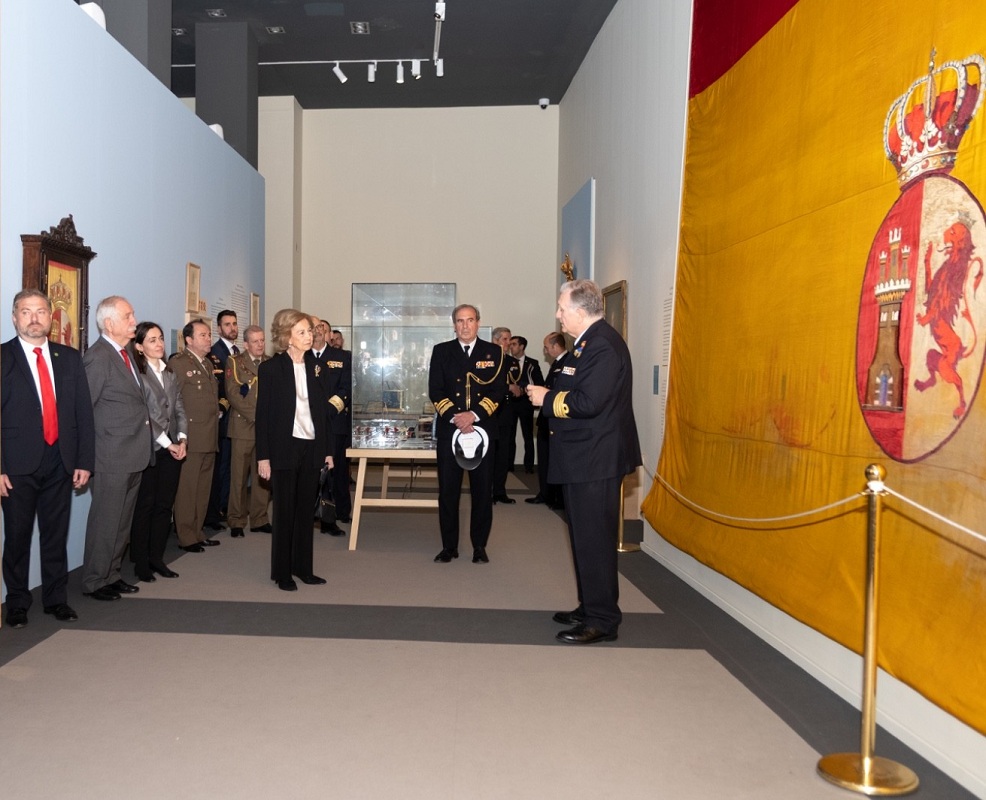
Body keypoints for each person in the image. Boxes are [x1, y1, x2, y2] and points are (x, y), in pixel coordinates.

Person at [528, 279, 641, 644]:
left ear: (580, 310)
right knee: (583, 538)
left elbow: (589, 403)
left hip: (596, 459)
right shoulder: (586, 346)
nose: (558, 315)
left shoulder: (604, 347)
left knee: (594, 539)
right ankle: (590, 605)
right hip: (583, 457)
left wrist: (546, 398)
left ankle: (602, 620)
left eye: (562, 309)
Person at [1, 289, 95, 627]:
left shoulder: (69, 357)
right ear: (15, 317)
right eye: (26, 312)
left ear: (50, 317)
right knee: (17, 537)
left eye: (40, 311)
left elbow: (83, 413)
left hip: (61, 461)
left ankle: (56, 599)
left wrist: (85, 460)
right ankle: (16, 603)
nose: (34, 317)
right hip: (16, 466)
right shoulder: (3, 357)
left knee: (56, 535)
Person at [256, 309, 335, 591]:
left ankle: (304, 568)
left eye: (309, 331)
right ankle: (282, 572)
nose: (309, 336)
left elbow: (321, 413)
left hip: (312, 447)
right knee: (285, 511)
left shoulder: (317, 367)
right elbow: (263, 415)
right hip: (283, 448)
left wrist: (327, 450)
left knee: (305, 512)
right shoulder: (270, 369)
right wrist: (263, 456)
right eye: (301, 332)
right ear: (286, 337)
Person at [81, 296, 152, 601]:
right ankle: (95, 580)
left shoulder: (124, 354)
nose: (134, 321)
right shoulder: (98, 357)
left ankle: (111, 574)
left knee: (122, 522)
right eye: (128, 316)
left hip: (132, 454)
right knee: (106, 522)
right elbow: (84, 411)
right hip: (110, 457)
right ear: (109, 323)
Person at [428, 304, 507, 564]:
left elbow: (497, 391)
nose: (465, 325)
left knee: (482, 492)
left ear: (478, 322)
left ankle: (479, 546)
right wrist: (457, 417)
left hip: (482, 430)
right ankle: (448, 546)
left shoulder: (494, 352)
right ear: (454, 325)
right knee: (448, 491)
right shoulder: (441, 352)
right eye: (460, 321)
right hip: (451, 431)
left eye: (470, 320)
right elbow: (436, 391)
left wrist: (473, 416)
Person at [129, 322, 186, 582]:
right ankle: (141, 563)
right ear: (139, 347)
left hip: (173, 447)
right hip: (151, 448)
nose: (159, 344)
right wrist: (168, 443)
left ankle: (157, 558)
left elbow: (179, 409)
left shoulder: (170, 373)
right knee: (146, 506)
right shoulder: (137, 375)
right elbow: (147, 416)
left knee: (164, 506)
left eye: (161, 338)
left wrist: (182, 438)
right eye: (152, 340)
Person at [171, 320, 223, 553]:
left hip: (209, 434)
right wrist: (179, 436)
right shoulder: (179, 364)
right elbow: (172, 401)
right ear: (189, 340)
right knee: (188, 488)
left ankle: (197, 531)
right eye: (202, 335)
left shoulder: (208, 365)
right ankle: (186, 535)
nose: (208, 338)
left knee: (203, 489)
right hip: (191, 436)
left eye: (209, 334)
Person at [225, 324, 271, 536]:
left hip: (265, 431)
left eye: (262, 340)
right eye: (255, 341)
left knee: (263, 475)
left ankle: (259, 518)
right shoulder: (235, 362)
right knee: (239, 477)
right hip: (243, 427)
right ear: (245, 344)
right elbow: (234, 395)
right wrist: (259, 417)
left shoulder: (271, 363)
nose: (260, 344)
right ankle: (236, 520)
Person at [525, 332, 570, 509]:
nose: (544, 350)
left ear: (555, 346)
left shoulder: (568, 362)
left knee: (554, 461)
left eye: (546, 347)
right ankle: (546, 493)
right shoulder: (557, 363)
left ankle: (555, 497)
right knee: (544, 460)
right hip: (546, 419)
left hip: (556, 420)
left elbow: (559, 390)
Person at [204, 309, 236, 530]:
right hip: (220, 420)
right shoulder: (214, 353)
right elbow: (221, 388)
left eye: (234, 324)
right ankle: (218, 508)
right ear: (219, 328)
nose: (232, 328)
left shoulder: (236, 352)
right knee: (221, 467)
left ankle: (225, 505)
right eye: (227, 324)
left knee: (229, 466)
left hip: (234, 419)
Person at [490, 326, 521, 504]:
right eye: (505, 339)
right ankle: (485, 491)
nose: (509, 343)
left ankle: (500, 491)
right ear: (496, 340)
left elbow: (517, 381)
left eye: (509, 340)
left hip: (506, 412)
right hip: (489, 413)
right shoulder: (486, 359)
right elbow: (488, 385)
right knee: (488, 455)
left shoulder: (512, 362)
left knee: (503, 455)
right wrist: (508, 387)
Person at [508, 335, 544, 473]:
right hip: (510, 404)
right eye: (510, 344)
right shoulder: (507, 362)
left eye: (514, 344)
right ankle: (509, 465)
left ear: (522, 346)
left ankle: (529, 467)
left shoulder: (532, 363)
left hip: (525, 404)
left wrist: (525, 388)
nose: (511, 347)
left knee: (528, 436)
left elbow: (539, 382)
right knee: (510, 436)